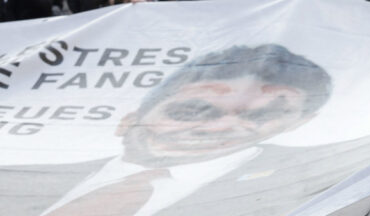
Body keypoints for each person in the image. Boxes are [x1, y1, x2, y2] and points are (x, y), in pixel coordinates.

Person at [33, 44, 331, 215]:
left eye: (264, 115)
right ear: (129, 119)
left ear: (300, 123)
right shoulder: (28, 173)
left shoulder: (309, 184)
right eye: (193, 110)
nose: (224, 127)